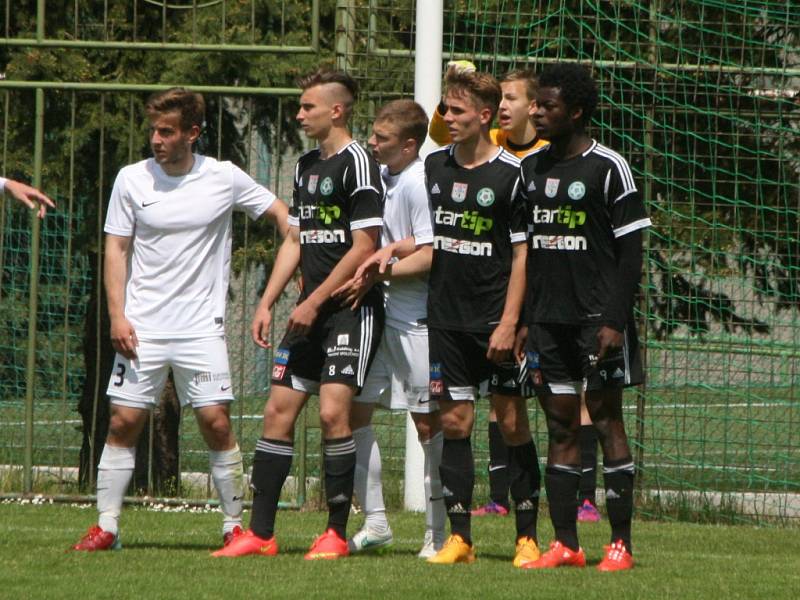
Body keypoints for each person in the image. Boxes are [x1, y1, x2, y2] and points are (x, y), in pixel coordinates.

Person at [71, 87, 288, 551]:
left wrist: (296, 247)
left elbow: (280, 215)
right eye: (153, 129)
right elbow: (117, 247)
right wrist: (117, 316)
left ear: (192, 133)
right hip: (142, 327)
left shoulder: (223, 177)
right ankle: (107, 526)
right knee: (123, 422)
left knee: (216, 422)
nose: (156, 139)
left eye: (166, 131)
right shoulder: (131, 179)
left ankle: (233, 525)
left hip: (200, 329)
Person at [213, 69, 384, 561]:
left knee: (334, 412)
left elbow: (364, 245)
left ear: (337, 109)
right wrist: (268, 300)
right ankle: (261, 534)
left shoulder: (360, 164)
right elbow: (296, 237)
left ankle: (333, 532)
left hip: (350, 311)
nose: (298, 114)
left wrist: (313, 302)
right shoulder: (307, 165)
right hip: (307, 313)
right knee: (277, 411)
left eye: (307, 106)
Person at [516, 63, 650, 571]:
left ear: (575, 112)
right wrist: (526, 319)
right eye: (535, 104)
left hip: (598, 321)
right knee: (560, 426)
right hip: (548, 322)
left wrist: (614, 321)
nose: (536, 112)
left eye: (546, 106)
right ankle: (566, 543)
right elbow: (528, 250)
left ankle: (620, 544)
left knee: (607, 420)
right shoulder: (532, 169)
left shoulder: (608, 166)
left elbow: (631, 254)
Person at [424, 66, 541, 567]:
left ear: (484, 116)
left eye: (456, 110)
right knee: (454, 422)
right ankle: (461, 539)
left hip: (496, 321)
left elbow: (523, 256)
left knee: (513, 423)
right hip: (446, 320)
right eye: (446, 108)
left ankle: (527, 536)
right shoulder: (433, 168)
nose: (447, 117)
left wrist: (510, 322)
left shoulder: (513, 177)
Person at [332, 99, 446, 558]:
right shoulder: (380, 176)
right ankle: (376, 522)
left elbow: (431, 252)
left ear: (409, 144)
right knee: (355, 413)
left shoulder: (419, 183)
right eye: (373, 135)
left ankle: (436, 533)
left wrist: (380, 271)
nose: (373, 144)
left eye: (382, 139)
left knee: (427, 423)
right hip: (374, 315)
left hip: (415, 318)